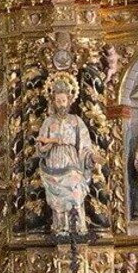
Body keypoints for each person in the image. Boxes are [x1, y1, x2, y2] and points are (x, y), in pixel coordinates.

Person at [36, 76, 94, 233]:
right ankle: (62, 227)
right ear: (53, 101)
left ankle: (77, 226)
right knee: (58, 198)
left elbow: (84, 145)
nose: (61, 104)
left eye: (63, 100)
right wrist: (49, 143)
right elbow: (40, 145)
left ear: (69, 100)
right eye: (58, 100)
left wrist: (89, 157)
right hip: (54, 162)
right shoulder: (48, 122)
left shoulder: (76, 121)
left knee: (75, 191)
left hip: (72, 162)